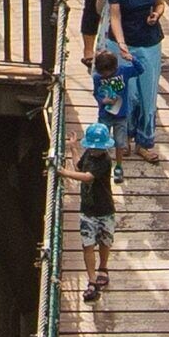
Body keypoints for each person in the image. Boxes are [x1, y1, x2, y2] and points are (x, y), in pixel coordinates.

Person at [102, 0, 169, 159]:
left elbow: (159, 3)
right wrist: (122, 45)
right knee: (127, 94)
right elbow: (114, 15)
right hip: (123, 43)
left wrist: (157, 14)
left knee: (147, 95)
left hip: (149, 43)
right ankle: (125, 139)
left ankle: (145, 142)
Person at [61, 119, 118, 303]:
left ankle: (103, 267)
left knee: (104, 241)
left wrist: (64, 173)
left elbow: (86, 177)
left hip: (105, 209)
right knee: (87, 245)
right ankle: (92, 281)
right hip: (87, 210)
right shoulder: (88, 154)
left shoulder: (105, 161)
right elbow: (80, 166)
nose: (95, 150)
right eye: (93, 147)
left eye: (98, 148)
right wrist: (73, 148)